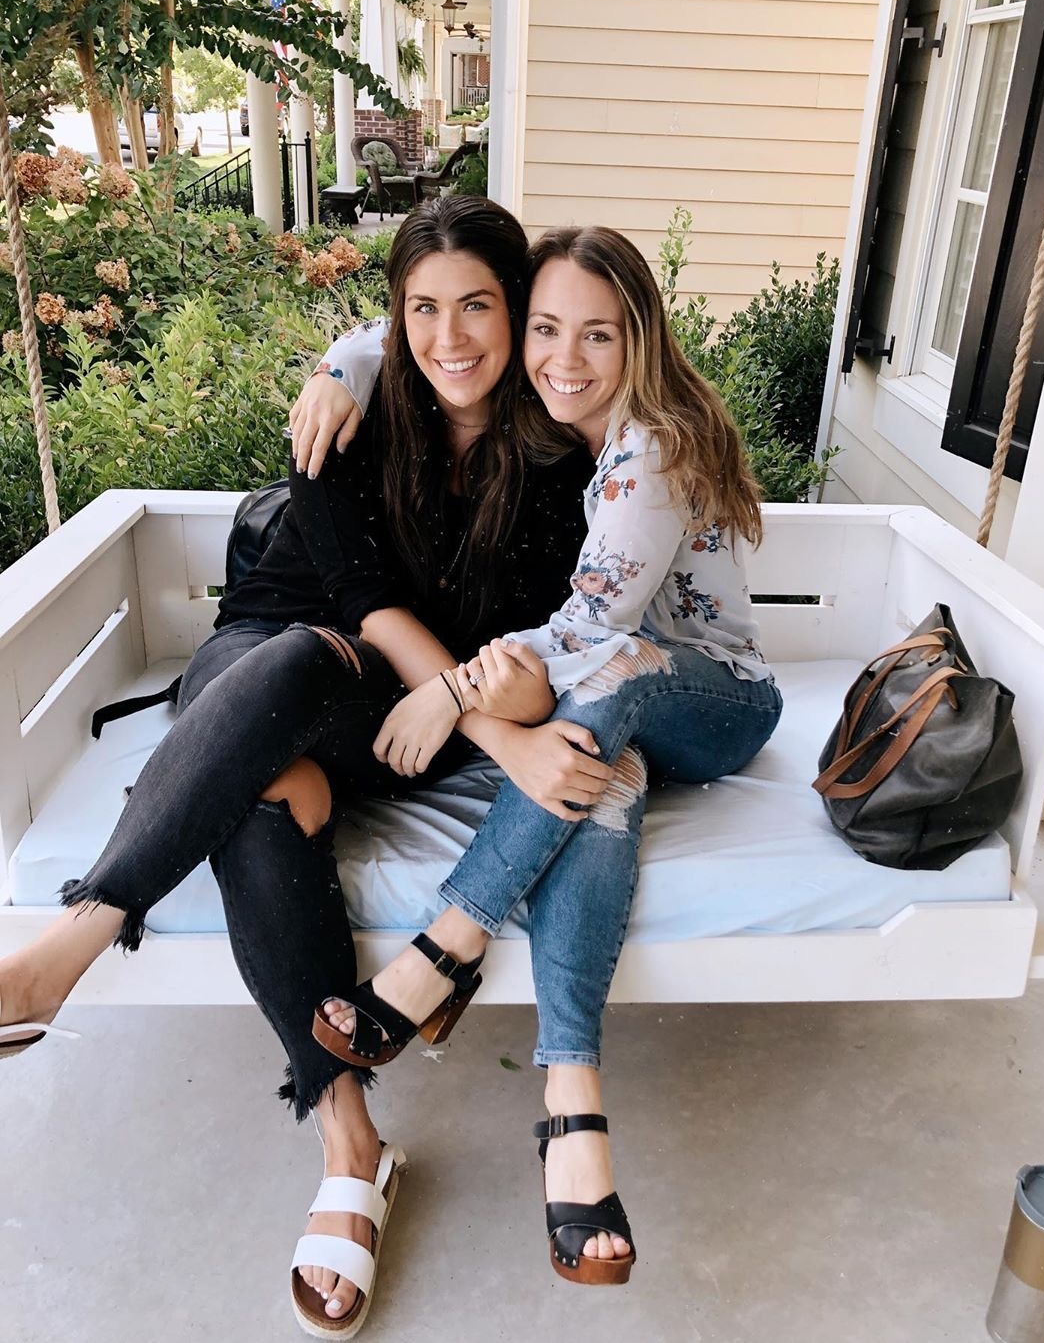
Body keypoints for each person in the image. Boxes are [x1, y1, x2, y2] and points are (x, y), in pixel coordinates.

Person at [0, 196, 604, 1337]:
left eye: (477, 306)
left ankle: (74, 944)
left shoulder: (560, 464)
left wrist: (480, 718)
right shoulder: (350, 422)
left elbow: (525, 645)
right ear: (395, 317)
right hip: (266, 662)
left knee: (286, 723)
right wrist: (495, 734)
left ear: (517, 308)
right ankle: (349, 1146)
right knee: (271, 757)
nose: (449, 337)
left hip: (407, 703)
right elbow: (360, 598)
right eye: (421, 309)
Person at [289, 225, 784, 1286]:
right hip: (628, 711)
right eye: (547, 328)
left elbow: (590, 633)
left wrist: (451, 689)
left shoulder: (649, 448)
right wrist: (343, 361)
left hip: (721, 703)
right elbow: (414, 324)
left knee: (609, 678)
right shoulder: (578, 428)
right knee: (600, 772)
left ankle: (446, 947)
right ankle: (573, 1109)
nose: (563, 356)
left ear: (637, 339)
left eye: (596, 334)